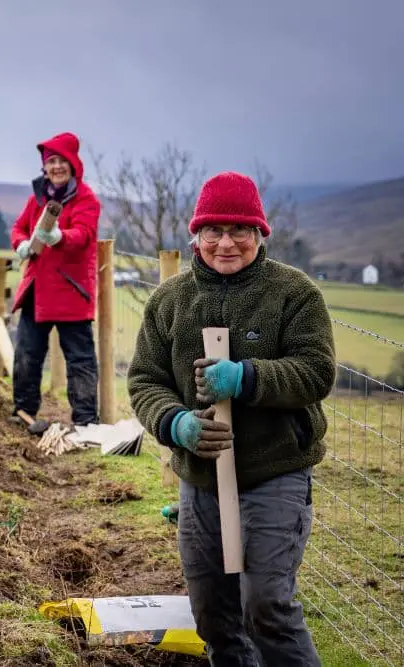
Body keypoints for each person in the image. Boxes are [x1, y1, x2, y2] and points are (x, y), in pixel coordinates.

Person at [127, 171, 335, 665]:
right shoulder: (169, 302)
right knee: (214, 618)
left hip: (274, 473)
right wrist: (177, 424)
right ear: (195, 236)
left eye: (240, 230)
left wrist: (246, 378)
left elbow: (317, 371)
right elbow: (144, 381)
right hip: (200, 481)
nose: (226, 243)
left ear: (260, 233)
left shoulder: (293, 293)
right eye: (212, 231)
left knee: (266, 607)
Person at [10, 131, 101, 429]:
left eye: (62, 160)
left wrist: (60, 236)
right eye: (51, 162)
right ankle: (23, 412)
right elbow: (19, 228)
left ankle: (86, 421)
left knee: (80, 359)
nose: (56, 167)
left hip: (71, 290)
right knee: (27, 353)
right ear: (44, 167)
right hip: (37, 289)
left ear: (74, 164)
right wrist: (21, 243)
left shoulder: (86, 199)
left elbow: (84, 235)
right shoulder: (37, 198)